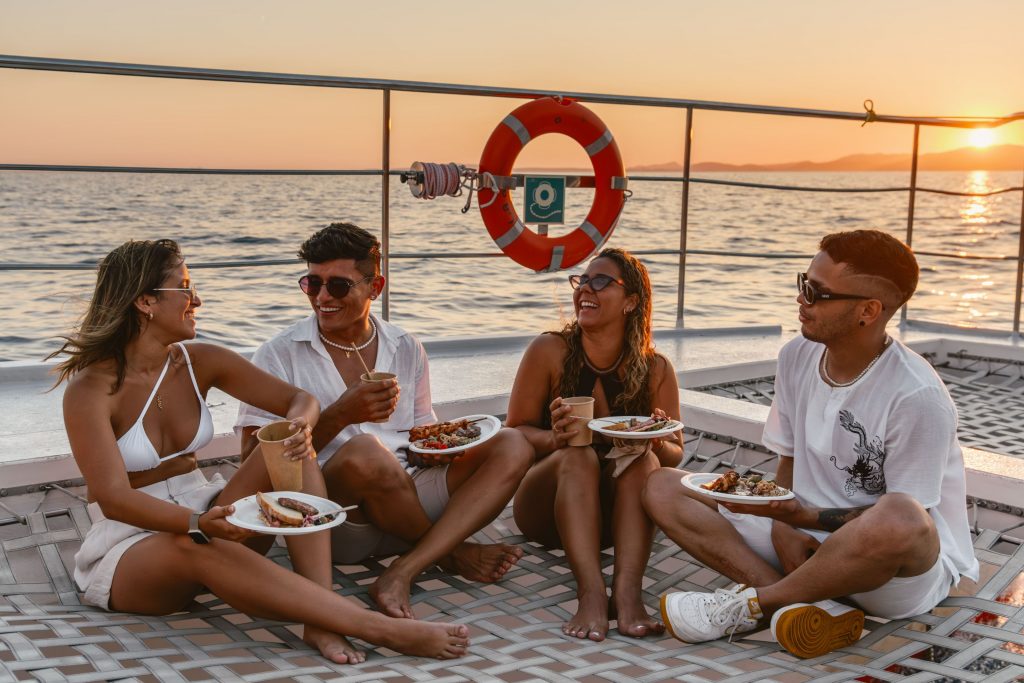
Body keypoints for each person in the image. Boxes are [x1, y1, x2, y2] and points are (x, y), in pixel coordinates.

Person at [54, 239, 469, 665]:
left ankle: (320, 618)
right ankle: (380, 629)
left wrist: (300, 428)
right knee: (194, 544)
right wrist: (197, 523)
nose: (197, 300)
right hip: (133, 543)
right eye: (185, 287)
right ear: (146, 301)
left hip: (207, 511)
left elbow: (300, 400)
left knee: (288, 446)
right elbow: (113, 498)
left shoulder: (200, 361)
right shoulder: (90, 390)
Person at [644, 229, 980, 659]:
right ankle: (811, 607)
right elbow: (788, 458)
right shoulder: (797, 356)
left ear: (868, 311)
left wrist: (800, 517)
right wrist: (783, 526)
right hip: (800, 541)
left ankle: (753, 605)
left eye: (817, 292)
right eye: (803, 282)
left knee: (901, 515)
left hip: (889, 577)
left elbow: (910, 523)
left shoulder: (917, 396)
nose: (801, 299)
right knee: (663, 486)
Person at [236, 222, 534, 619]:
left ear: (375, 287)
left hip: (407, 499)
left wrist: (433, 451)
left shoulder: (404, 346)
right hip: (337, 520)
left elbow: (419, 433)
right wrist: (340, 415)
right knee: (365, 453)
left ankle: (405, 568)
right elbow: (250, 461)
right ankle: (451, 554)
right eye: (312, 283)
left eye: (338, 286)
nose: (322, 297)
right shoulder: (278, 354)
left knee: (513, 443)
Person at [505, 248, 683, 641]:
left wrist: (654, 440)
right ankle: (591, 594)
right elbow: (514, 433)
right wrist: (554, 438)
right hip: (545, 508)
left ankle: (627, 594)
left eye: (600, 282)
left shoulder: (656, 369)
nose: (585, 289)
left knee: (642, 463)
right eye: (582, 280)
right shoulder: (549, 351)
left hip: (617, 522)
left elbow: (675, 452)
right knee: (579, 455)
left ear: (631, 302)